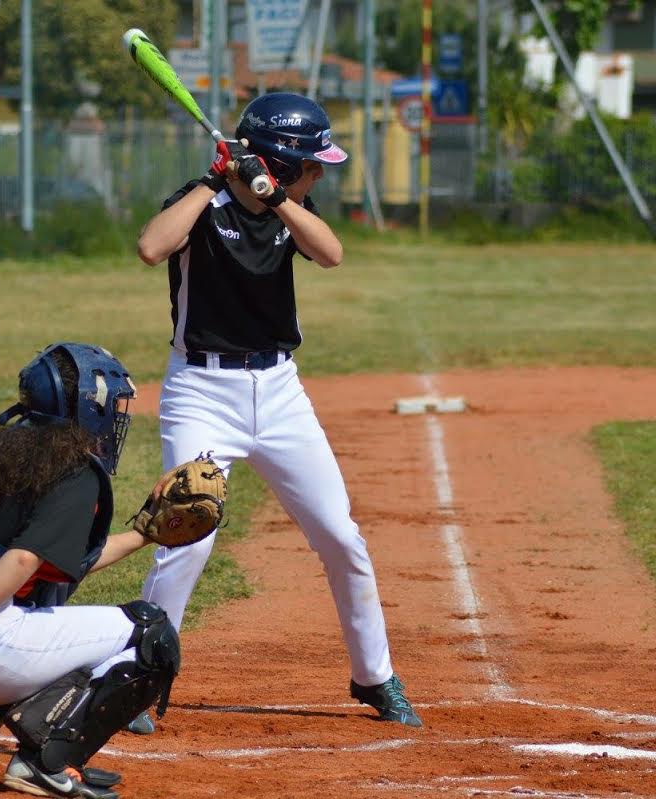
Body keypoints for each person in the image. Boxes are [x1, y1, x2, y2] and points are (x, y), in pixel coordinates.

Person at [132, 92, 421, 730]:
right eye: (312, 165)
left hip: (280, 392)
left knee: (341, 537)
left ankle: (374, 677)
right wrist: (216, 180)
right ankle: (138, 677)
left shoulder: (290, 209)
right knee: (186, 534)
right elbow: (152, 247)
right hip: (202, 394)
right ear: (285, 160)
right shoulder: (200, 204)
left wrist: (277, 195)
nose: (320, 175)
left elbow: (332, 253)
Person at [0, 343, 180, 799]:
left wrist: (144, 534)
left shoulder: (7, 451)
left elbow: (58, 565)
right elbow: (23, 560)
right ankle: (46, 761)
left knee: (42, 599)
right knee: (150, 633)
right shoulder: (73, 469)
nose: (116, 417)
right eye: (111, 405)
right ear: (84, 407)